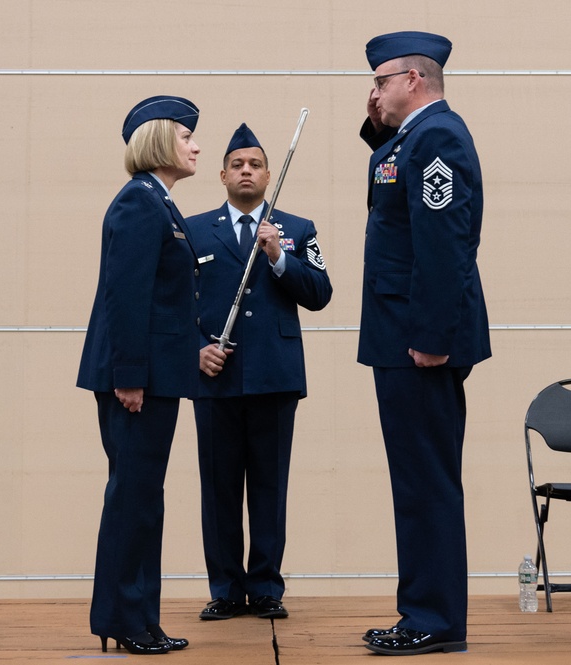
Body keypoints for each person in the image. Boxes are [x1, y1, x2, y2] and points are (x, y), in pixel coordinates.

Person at [356, 31, 491, 656]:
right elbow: (396, 193)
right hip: (402, 335)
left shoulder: (436, 137)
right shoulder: (413, 138)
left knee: (427, 481)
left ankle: (433, 619)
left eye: (381, 82)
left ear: (414, 80)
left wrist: (433, 336)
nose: (373, 92)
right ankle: (423, 612)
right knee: (414, 481)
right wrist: (380, 129)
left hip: (419, 340)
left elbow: (444, 243)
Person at [186, 123, 332, 621]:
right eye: (237, 165)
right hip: (215, 378)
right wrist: (194, 350)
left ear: (269, 175)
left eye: (255, 165)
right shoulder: (191, 228)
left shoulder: (297, 228)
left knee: (269, 486)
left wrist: (279, 256)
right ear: (222, 174)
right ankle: (225, 589)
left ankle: (266, 587)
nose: (246, 171)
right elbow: (171, 304)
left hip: (275, 376)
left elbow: (320, 293)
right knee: (219, 487)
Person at [76, 95, 202, 655]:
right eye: (186, 136)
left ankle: (140, 618)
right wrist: (130, 376)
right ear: (157, 142)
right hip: (136, 380)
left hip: (155, 376)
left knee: (145, 499)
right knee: (133, 498)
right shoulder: (140, 204)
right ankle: (123, 620)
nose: (197, 145)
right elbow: (125, 299)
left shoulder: (159, 203)